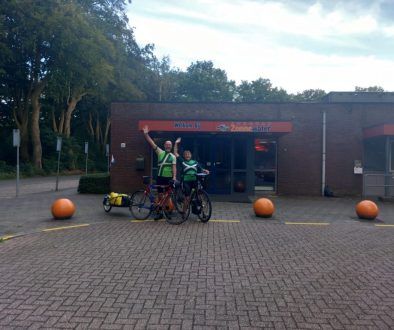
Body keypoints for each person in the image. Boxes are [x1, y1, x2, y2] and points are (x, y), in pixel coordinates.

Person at [142, 126, 177, 220]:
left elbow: (174, 168)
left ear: (171, 146)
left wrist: (174, 177)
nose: (168, 146)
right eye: (167, 144)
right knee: (160, 195)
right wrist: (146, 134)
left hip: (168, 178)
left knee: (168, 195)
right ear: (164, 145)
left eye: (170, 145)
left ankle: (166, 211)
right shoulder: (160, 152)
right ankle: (160, 213)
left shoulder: (173, 157)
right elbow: (151, 143)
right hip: (160, 177)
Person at [174, 137, 209, 216]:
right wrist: (176, 143)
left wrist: (205, 170)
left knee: (200, 196)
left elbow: (201, 169)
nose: (187, 155)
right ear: (184, 156)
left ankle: (203, 213)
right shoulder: (182, 161)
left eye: (188, 154)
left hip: (195, 181)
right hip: (186, 182)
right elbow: (175, 153)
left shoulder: (195, 162)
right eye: (186, 154)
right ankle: (183, 212)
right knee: (187, 198)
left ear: (191, 155)